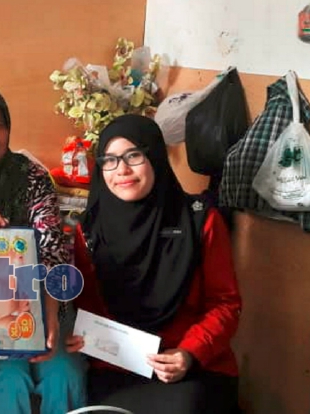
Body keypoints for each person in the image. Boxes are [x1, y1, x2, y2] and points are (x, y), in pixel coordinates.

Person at [65, 114, 242, 414]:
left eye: (133, 156)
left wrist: (188, 353)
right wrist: (85, 338)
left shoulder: (200, 221)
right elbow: (89, 307)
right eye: (109, 160)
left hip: (194, 363)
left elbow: (225, 304)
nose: (121, 170)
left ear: (155, 157)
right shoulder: (90, 230)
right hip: (118, 364)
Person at [0, 86, 87, 414]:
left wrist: (50, 318)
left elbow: (52, 247)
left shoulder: (30, 175)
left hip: (42, 299)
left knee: (63, 373)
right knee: (8, 378)